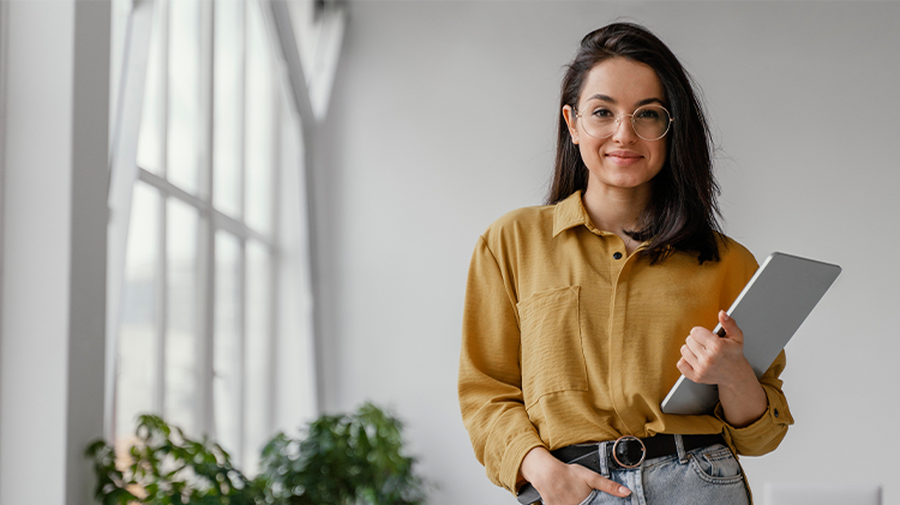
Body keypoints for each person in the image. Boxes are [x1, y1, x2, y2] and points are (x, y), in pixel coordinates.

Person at [458, 22, 792, 505]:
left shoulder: (728, 262)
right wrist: (543, 473)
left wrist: (736, 377)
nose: (624, 134)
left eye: (648, 115)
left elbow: (761, 437)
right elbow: (485, 395)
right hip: (573, 489)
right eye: (602, 112)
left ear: (671, 127)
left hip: (699, 482)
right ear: (572, 124)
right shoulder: (510, 243)